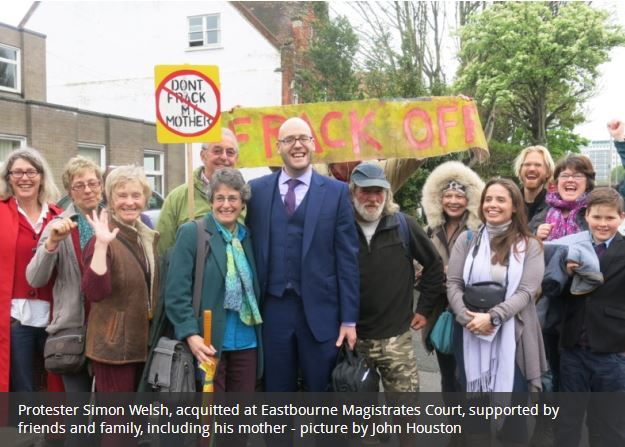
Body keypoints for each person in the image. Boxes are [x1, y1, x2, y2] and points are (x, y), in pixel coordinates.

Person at [245, 117, 360, 393]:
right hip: (273, 311)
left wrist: (348, 320)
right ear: (278, 147)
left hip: (321, 314)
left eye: (303, 138)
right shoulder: (257, 191)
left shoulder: (337, 193)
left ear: (313, 144)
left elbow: (348, 261)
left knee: (323, 399)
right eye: (289, 140)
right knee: (276, 398)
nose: (297, 145)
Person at [349, 162, 444, 447]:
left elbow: (435, 266)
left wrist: (424, 309)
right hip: (355, 339)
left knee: (405, 411)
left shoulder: (403, 224)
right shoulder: (341, 227)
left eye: (379, 191)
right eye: (366, 191)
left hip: (396, 338)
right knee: (361, 413)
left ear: (387, 194)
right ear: (353, 192)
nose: (372, 198)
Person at [447, 178, 547, 446]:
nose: (492, 205)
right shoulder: (466, 240)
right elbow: (454, 283)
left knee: (514, 410)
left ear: (514, 206)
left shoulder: (531, 246)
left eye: (500, 200)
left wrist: (493, 317)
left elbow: (527, 291)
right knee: (475, 411)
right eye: (488, 199)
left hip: (514, 335)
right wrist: (466, 317)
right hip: (469, 331)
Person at [166, 167, 262, 391]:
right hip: (208, 342)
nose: (226, 204)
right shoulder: (193, 233)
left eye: (233, 198)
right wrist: (190, 335)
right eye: (219, 198)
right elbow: (176, 293)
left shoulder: (247, 238)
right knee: (210, 421)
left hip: (247, 343)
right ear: (210, 201)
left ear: (243, 203)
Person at [26, 157, 103, 392]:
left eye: (93, 183)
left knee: (112, 413)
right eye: (79, 185)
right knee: (77, 414)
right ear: (70, 191)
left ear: (101, 185)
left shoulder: (114, 221)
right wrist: (51, 245)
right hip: (73, 331)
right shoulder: (57, 226)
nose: (88, 190)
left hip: (109, 330)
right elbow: (35, 278)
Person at [555, 187, 625, 446]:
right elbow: (553, 291)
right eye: (597, 217)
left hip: (613, 351)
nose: (603, 224)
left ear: (621, 217)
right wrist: (564, 271)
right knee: (568, 420)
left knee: (609, 423)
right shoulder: (570, 247)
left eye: (610, 218)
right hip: (574, 348)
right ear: (586, 216)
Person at [81, 165, 158, 392]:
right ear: (110, 199)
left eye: (136, 195)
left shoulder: (145, 236)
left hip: (143, 343)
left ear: (145, 198)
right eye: (122, 195)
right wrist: (102, 243)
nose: (129, 202)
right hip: (113, 350)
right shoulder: (103, 237)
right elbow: (94, 292)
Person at [0, 147, 62, 392]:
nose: (24, 178)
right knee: (23, 386)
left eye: (31, 171)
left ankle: (54, 431)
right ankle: (26, 431)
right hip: (16, 317)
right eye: (17, 172)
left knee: (53, 384)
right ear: (8, 178)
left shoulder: (57, 216)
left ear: (42, 176)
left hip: (53, 317)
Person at [421, 161, 484, 394]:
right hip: (439, 313)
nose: (454, 201)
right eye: (448, 196)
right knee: (448, 379)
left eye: (460, 196)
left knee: (469, 379)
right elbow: (419, 271)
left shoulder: (481, 232)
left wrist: (456, 274)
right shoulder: (429, 232)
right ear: (439, 198)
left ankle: (476, 430)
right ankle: (456, 429)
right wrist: (432, 274)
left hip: (472, 312)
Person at [157, 128, 239, 254]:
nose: (224, 157)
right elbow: (163, 252)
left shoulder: (245, 198)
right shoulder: (177, 198)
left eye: (230, 152)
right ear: (203, 156)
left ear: (236, 158)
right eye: (217, 151)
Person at [513, 145, 555, 221]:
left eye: (538, 165)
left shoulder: (554, 209)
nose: (532, 169)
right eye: (527, 164)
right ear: (519, 170)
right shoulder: (509, 204)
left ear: (548, 172)